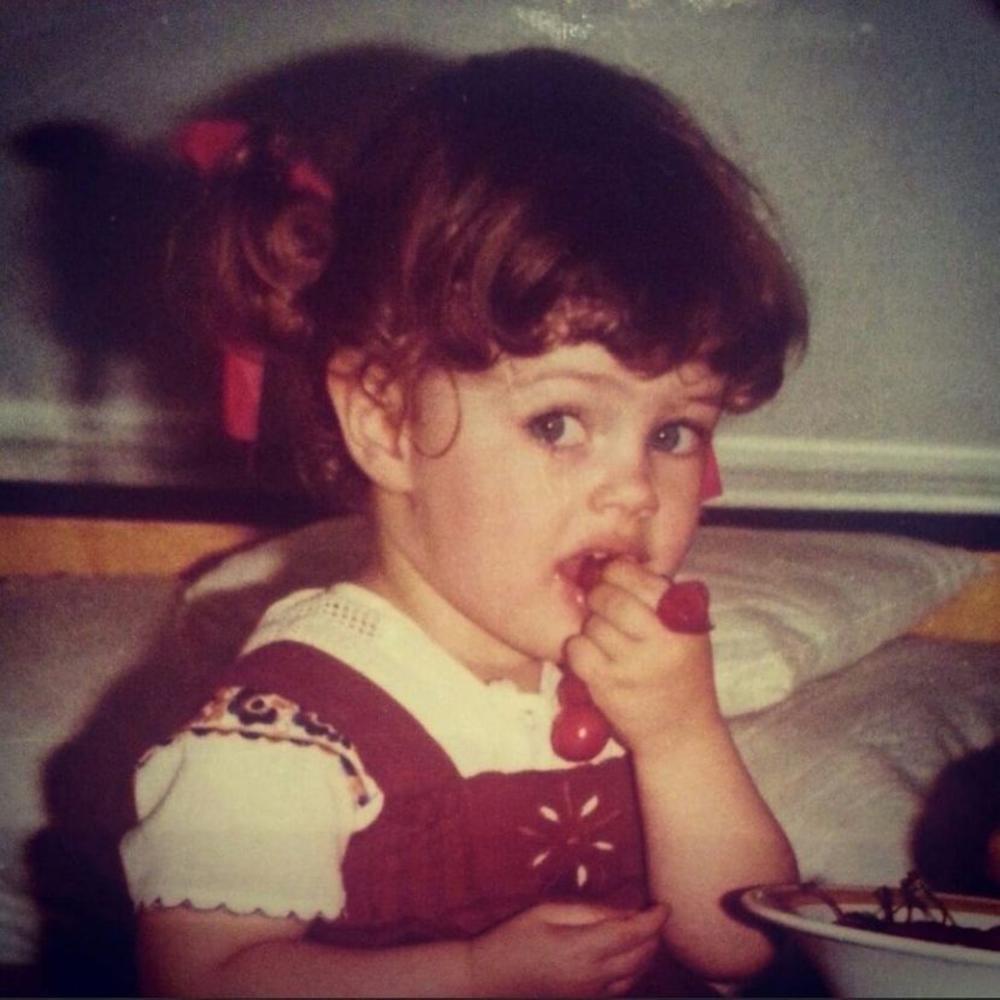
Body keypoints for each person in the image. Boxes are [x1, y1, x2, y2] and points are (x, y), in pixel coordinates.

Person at [120, 48, 807, 997]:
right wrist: (472, 975)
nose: (636, 492)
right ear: (386, 422)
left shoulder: (636, 685)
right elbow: (200, 980)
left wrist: (683, 737)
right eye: (558, 423)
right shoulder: (285, 721)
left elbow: (739, 943)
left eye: (674, 432)